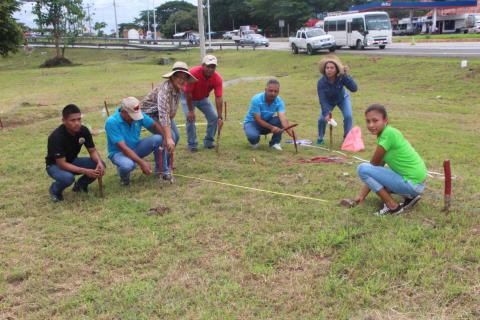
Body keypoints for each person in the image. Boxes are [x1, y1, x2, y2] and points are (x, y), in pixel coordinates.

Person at [354, 104, 427, 216]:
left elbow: (373, 164)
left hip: (412, 183)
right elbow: (376, 169)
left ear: (385, 121)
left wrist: (363, 193)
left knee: (362, 168)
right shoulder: (389, 132)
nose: (371, 125)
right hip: (418, 183)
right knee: (372, 173)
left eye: (375, 120)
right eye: (368, 121)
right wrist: (361, 196)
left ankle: (392, 206)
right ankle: (410, 197)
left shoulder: (387, 134)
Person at [141, 61, 197, 178]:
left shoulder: (178, 89)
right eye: (179, 77)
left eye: (184, 77)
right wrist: (167, 136)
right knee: (167, 137)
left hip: (164, 116)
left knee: (175, 136)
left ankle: (164, 162)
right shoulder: (165, 89)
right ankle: (162, 169)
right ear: (172, 77)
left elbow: (171, 111)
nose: (182, 80)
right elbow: (163, 114)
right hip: (149, 115)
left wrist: (170, 133)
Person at [105, 96, 174, 185]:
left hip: (136, 147)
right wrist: (142, 163)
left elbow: (154, 125)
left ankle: (162, 171)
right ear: (123, 112)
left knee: (158, 139)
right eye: (132, 116)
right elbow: (124, 148)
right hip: (119, 153)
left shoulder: (138, 114)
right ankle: (124, 179)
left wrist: (166, 139)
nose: (135, 118)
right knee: (128, 165)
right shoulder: (112, 122)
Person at [45, 104, 106, 202]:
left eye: (79, 119)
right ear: (64, 121)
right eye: (72, 120)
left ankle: (80, 186)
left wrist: (99, 162)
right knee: (68, 178)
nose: (77, 123)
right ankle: (54, 190)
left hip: (72, 161)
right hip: (55, 166)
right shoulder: (56, 137)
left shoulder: (84, 131)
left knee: (100, 165)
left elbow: (92, 150)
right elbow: (62, 164)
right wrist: (85, 171)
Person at [181, 54, 223, 152]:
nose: (210, 69)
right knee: (190, 118)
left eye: (213, 67)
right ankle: (192, 145)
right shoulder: (193, 73)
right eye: (208, 66)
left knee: (214, 117)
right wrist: (191, 111)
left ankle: (208, 142)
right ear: (203, 65)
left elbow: (219, 97)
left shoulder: (217, 78)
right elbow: (188, 93)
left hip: (203, 98)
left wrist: (220, 117)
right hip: (188, 97)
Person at [317, 55, 358, 145]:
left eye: (332, 68)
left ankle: (347, 138)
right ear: (324, 70)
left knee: (348, 116)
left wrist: (346, 76)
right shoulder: (321, 83)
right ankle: (320, 138)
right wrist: (326, 113)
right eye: (327, 68)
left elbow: (354, 89)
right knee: (321, 119)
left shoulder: (342, 77)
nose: (329, 70)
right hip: (328, 102)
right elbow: (322, 99)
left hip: (342, 98)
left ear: (336, 70)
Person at [243, 79, 293, 151]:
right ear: (266, 90)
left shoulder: (279, 101)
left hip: (267, 122)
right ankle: (254, 142)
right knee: (253, 136)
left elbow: (283, 118)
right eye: (271, 90)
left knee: (279, 120)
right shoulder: (256, 99)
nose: (273, 93)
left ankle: (275, 143)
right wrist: (272, 127)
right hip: (252, 122)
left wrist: (290, 131)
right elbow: (257, 119)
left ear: (278, 92)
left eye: (276, 91)